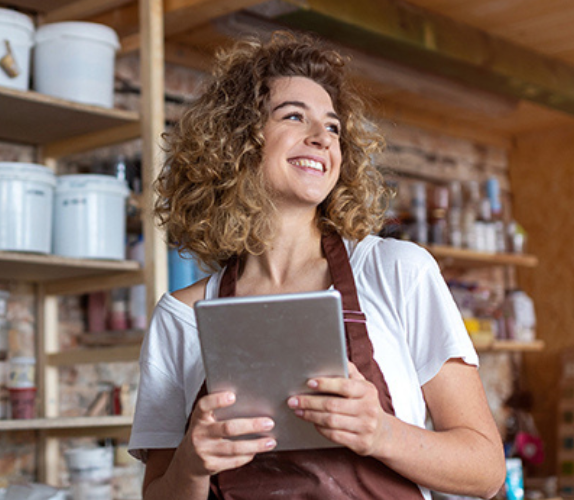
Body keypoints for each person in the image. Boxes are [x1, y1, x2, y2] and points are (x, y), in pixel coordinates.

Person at [127, 33, 505, 500]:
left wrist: (381, 433)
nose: (321, 138)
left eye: (333, 128)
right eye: (293, 116)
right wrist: (190, 463)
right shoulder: (182, 317)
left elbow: (487, 472)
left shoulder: (397, 272)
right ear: (237, 141)